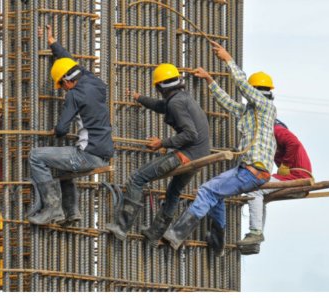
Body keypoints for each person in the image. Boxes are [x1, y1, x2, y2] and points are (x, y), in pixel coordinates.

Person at [163, 41, 277, 257]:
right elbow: (228, 103)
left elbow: (243, 86)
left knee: (207, 190)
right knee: (215, 194)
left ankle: (177, 234)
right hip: (246, 170)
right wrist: (209, 80)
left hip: (252, 170)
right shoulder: (251, 112)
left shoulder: (266, 107)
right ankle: (217, 242)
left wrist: (228, 60)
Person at [105, 64, 210, 246]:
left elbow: (190, 133)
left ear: (160, 86)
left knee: (137, 179)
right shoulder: (182, 98)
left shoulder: (176, 102)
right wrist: (139, 98)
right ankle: (155, 232)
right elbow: (162, 106)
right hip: (199, 156)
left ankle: (121, 227)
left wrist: (162, 143)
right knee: (173, 191)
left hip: (186, 155)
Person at [27, 25, 114, 225]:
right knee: (61, 165)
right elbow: (72, 64)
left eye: (62, 84)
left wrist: (55, 131)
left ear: (67, 81)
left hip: (87, 156)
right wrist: (52, 42)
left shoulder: (74, 95)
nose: (63, 89)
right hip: (104, 153)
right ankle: (72, 210)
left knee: (36, 156)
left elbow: (62, 129)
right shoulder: (95, 82)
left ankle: (52, 208)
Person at [237, 119, 313, 255]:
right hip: (295, 176)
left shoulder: (276, 130)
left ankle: (255, 233)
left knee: (255, 188)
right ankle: (255, 240)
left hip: (298, 177)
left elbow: (293, 143)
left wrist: (286, 164)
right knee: (261, 198)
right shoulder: (272, 143)